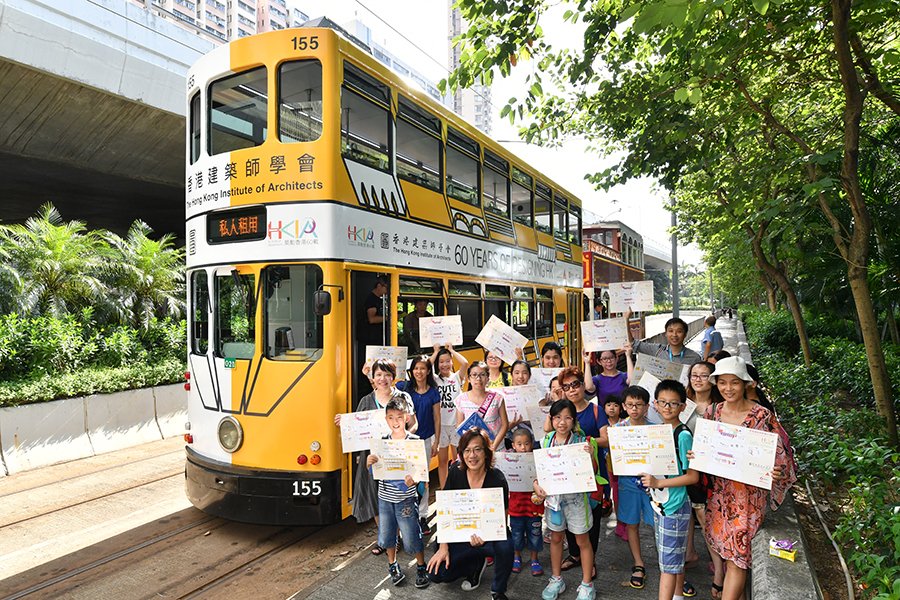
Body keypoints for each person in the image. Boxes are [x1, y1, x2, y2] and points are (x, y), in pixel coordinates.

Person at [704, 357, 796, 600]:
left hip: (748, 498)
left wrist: (776, 471)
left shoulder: (762, 415)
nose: (728, 388)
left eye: (734, 382)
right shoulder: (712, 412)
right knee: (728, 553)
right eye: (722, 383)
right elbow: (706, 448)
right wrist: (697, 453)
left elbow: (781, 453)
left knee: (737, 559)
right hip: (720, 495)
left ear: (745, 384)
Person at [334, 358, 412, 556]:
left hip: (396, 456)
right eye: (378, 374)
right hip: (373, 458)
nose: (383, 379)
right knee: (374, 498)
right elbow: (357, 428)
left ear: (393, 377)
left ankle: (395, 537)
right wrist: (344, 423)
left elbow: (414, 424)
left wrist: (403, 437)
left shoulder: (402, 397)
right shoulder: (366, 400)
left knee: (395, 497)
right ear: (373, 377)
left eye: (387, 374)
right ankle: (386, 538)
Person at [427, 429, 514, 600]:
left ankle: (498, 590)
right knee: (438, 574)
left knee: (506, 546)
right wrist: (443, 547)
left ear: (486, 452)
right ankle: (474, 564)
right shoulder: (455, 473)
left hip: (487, 535)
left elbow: (501, 519)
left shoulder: (497, 479)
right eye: (467, 450)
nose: (472, 455)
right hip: (458, 532)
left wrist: (486, 535)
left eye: (477, 449)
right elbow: (445, 510)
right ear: (461, 454)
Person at [541, 367, 609, 581]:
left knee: (590, 524)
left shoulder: (595, 411)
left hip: (586, 481)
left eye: (575, 384)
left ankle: (590, 563)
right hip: (560, 490)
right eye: (566, 387)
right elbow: (547, 431)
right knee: (565, 527)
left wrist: (585, 446)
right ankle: (574, 556)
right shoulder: (557, 424)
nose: (572, 389)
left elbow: (606, 440)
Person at [641, 380, 700, 600]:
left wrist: (658, 484)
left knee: (667, 565)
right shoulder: (659, 431)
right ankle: (678, 596)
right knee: (673, 558)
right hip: (662, 505)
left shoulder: (682, 436)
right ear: (655, 404)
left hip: (674, 506)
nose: (667, 408)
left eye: (673, 404)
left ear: (683, 407)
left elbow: (692, 476)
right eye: (663, 403)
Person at [534, 399, 598, 600]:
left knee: (582, 540)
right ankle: (556, 579)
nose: (562, 422)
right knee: (555, 538)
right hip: (554, 501)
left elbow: (593, 471)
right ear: (552, 419)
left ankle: (587, 584)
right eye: (558, 417)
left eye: (568, 417)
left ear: (574, 420)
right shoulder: (546, 441)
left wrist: (591, 455)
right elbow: (538, 472)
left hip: (577, 499)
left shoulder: (581, 442)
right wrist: (537, 486)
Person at [366, 396, 429, 588]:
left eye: (399, 417)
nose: (396, 421)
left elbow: (422, 474)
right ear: (386, 419)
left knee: (412, 536)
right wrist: (370, 464)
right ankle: (392, 565)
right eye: (391, 417)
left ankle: (420, 566)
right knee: (387, 535)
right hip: (385, 499)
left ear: (407, 418)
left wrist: (415, 479)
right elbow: (374, 472)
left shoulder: (415, 441)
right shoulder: (381, 443)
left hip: (406, 500)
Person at [605, 385, 655, 590]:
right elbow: (613, 460)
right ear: (624, 406)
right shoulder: (616, 431)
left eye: (639, 405)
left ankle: (668, 564)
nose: (634, 409)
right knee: (632, 524)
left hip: (653, 485)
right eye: (630, 405)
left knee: (657, 524)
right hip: (627, 483)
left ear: (647, 407)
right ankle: (638, 563)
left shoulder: (655, 428)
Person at [684, 361, 722, 585]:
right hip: (684, 468)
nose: (698, 379)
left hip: (709, 473)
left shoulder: (720, 407)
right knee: (685, 513)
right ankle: (689, 554)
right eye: (694, 375)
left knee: (704, 517)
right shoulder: (683, 404)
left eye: (703, 375)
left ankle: (718, 570)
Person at [396, 356, 441, 535]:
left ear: (428, 371)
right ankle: (408, 515)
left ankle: (422, 516)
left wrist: (437, 441)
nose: (419, 372)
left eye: (423, 368)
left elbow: (437, 418)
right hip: (406, 441)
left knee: (423, 479)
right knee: (406, 477)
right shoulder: (404, 388)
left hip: (425, 440)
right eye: (416, 368)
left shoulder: (433, 392)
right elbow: (382, 387)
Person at [430, 344, 469, 489]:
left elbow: (465, 363)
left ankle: (459, 488)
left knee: (458, 460)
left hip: (456, 425)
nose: (444, 365)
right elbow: (427, 365)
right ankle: (444, 490)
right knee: (442, 461)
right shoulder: (434, 379)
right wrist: (435, 352)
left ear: (452, 361)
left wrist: (452, 350)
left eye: (448, 361)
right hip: (441, 427)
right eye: (441, 362)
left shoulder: (457, 377)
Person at [508, 427, 545, 577]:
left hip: (534, 507)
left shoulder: (537, 460)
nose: (523, 448)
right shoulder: (508, 461)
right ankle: (516, 556)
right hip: (516, 507)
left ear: (532, 443)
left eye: (527, 444)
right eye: (519, 444)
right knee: (516, 534)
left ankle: (534, 559)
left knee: (535, 533)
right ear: (513, 445)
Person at [456, 361, 509, 452]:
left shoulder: (497, 398)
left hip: (497, 449)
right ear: (468, 378)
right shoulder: (461, 400)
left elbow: (505, 424)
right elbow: (460, 427)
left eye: (482, 375)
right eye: (474, 375)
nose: (478, 378)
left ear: (488, 378)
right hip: (474, 452)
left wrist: (493, 447)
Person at [597, 394, 628, 542]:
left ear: (621, 407)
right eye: (609, 404)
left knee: (621, 495)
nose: (612, 408)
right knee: (611, 493)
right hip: (605, 465)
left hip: (621, 464)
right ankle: (619, 522)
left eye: (615, 405)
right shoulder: (602, 425)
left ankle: (623, 524)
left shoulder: (624, 423)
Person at [625, 308, 700, 365]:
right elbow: (633, 343)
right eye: (671, 331)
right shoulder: (657, 350)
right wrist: (626, 319)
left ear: (685, 334)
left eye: (679, 331)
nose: (674, 335)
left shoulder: (694, 358)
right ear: (666, 334)